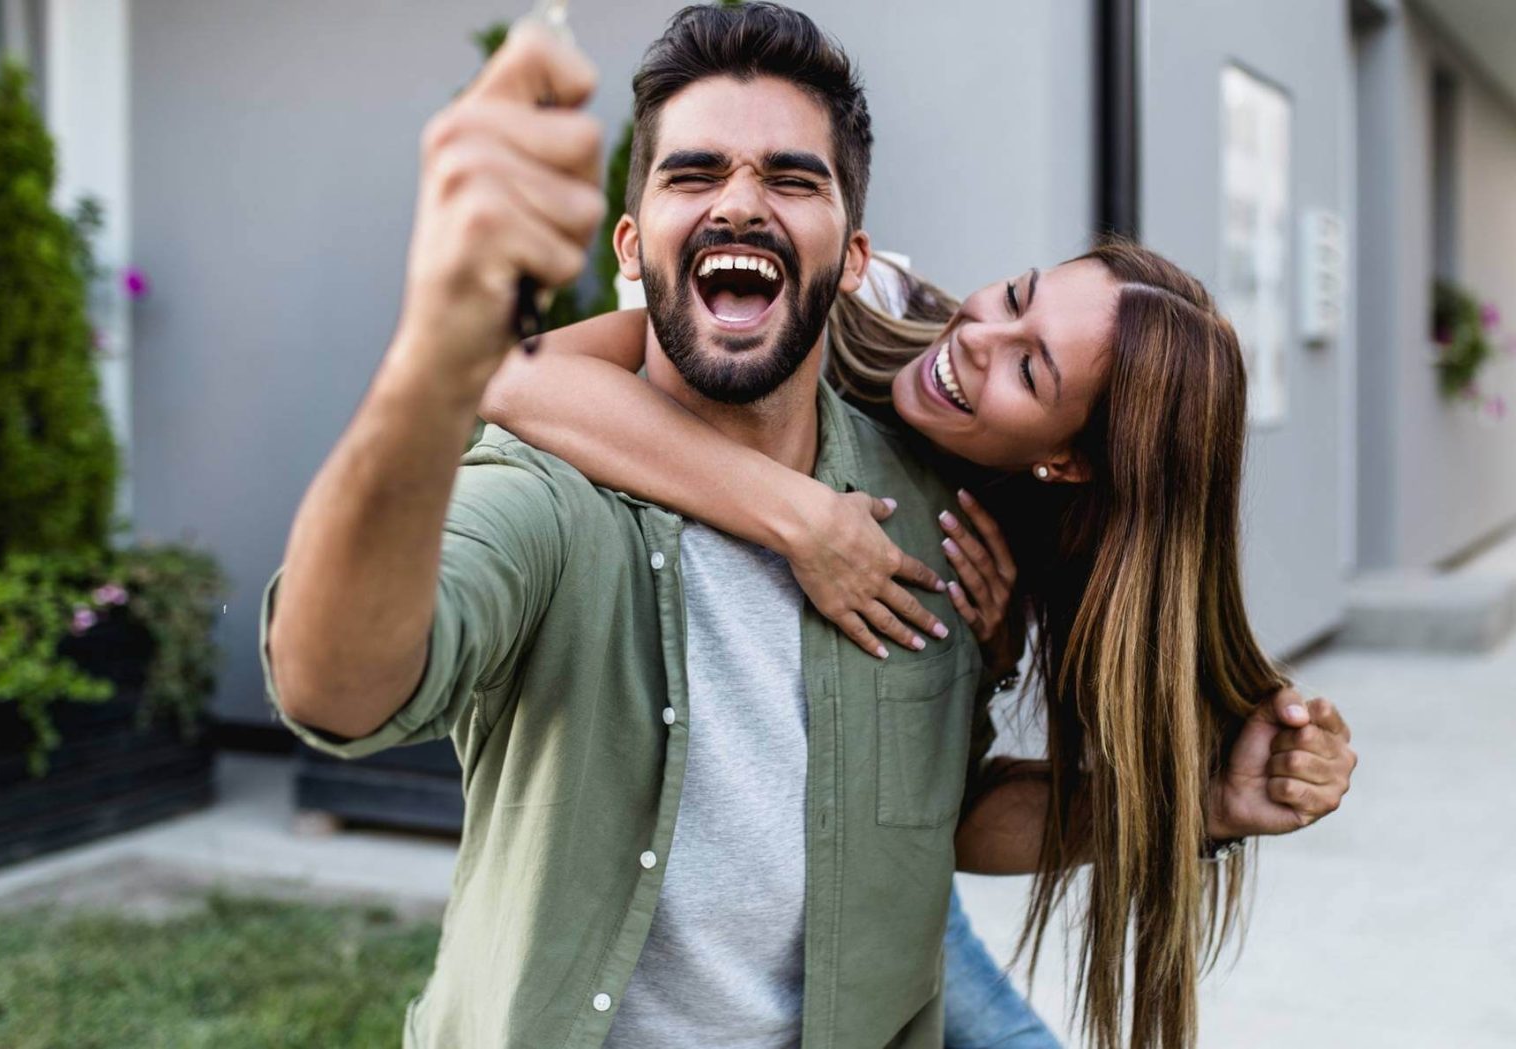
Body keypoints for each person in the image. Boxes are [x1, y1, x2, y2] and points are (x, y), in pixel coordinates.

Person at [264, 4, 1350, 1048]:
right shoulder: (572, 488)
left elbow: (941, 814)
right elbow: (352, 660)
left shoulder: (966, 533)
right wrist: (790, 515)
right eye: (694, 170)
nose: (980, 337)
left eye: (1030, 366)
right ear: (636, 245)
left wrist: (1194, 799)